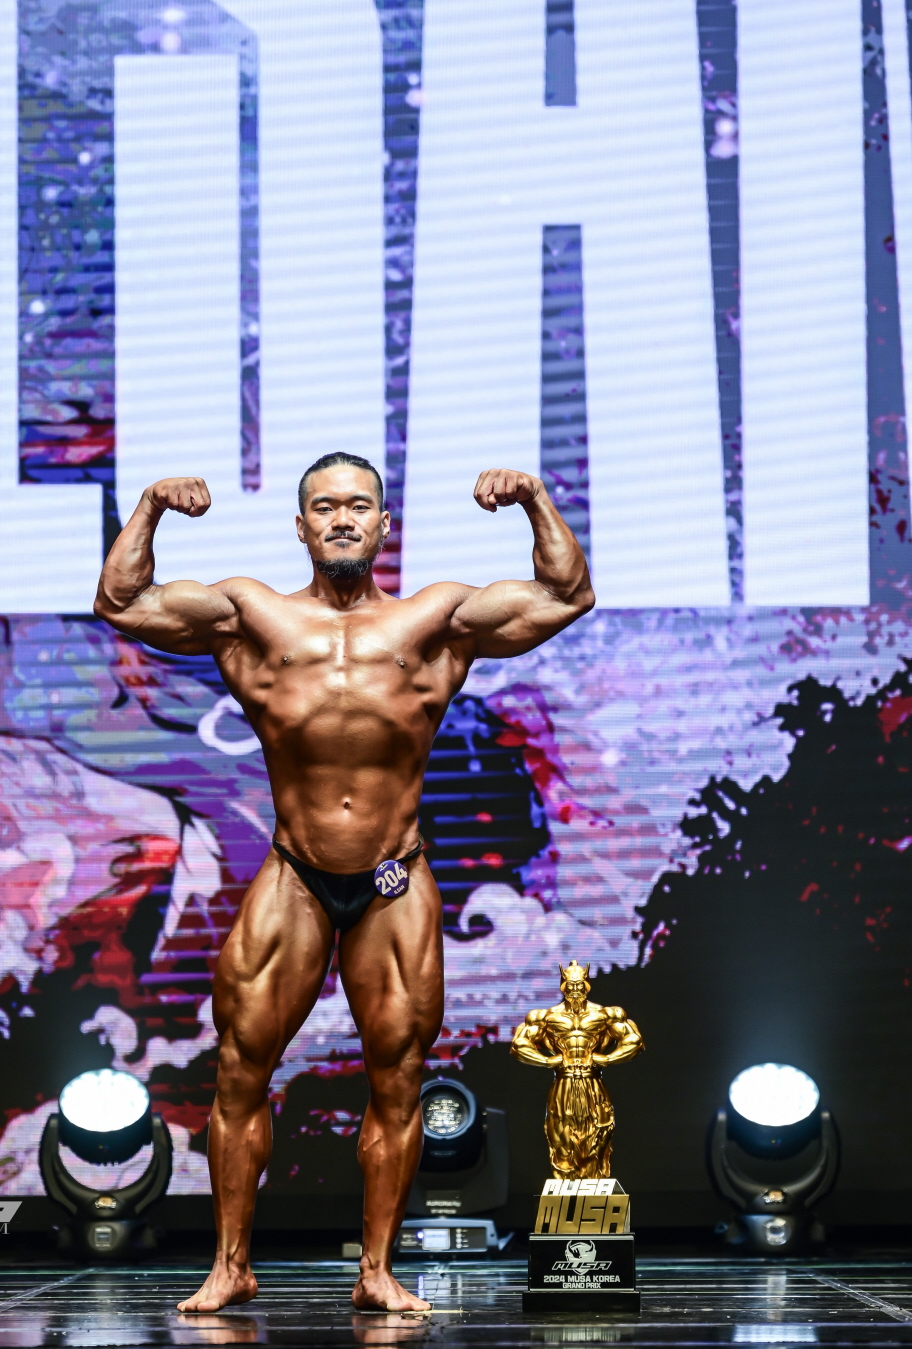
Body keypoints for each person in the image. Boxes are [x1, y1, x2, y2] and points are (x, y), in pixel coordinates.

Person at [94, 452, 594, 1311]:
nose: (342, 519)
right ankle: (230, 1266)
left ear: (383, 524)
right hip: (295, 873)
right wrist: (148, 508)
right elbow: (121, 601)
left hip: (394, 879)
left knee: (397, 1076)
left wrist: (536, 499)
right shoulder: (252, 616)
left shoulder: (435, 620)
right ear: (301, 526)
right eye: (324, 507)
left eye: (358, 506)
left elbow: (566, 595)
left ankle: (376, 1273)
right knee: (240, 1068)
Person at [510, 960, 644, 1179]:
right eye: (570, 986)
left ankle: (593, 1182)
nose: (575, 990)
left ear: (586, 985)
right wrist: (547, 1061)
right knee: (560, 1135)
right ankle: (566, 1182)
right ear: (563, 985)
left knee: (599, 1132)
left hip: (592, 1081)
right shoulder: (546, 1017)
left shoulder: (605, 1014)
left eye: (579, 985)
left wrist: (608, 1058)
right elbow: (519, 1044)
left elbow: (633, 1040)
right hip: (564, 1081)